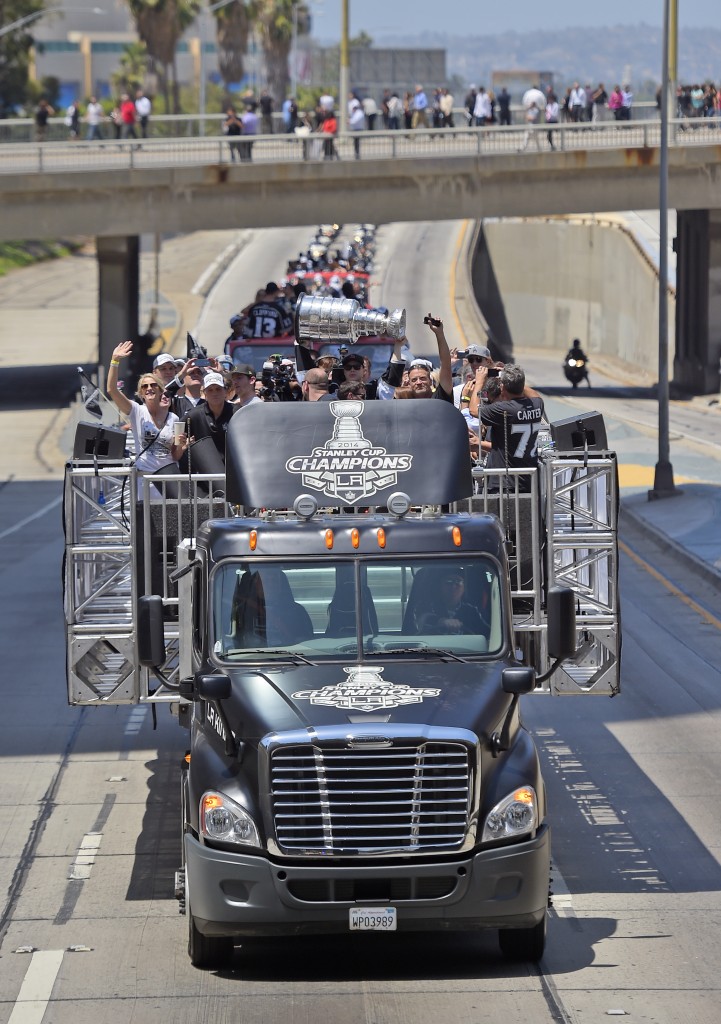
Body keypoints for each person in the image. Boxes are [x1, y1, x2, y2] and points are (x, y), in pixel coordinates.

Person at [106, 340, 188, 494]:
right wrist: (115, 360)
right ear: (141, 394)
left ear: (160, 389)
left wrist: (182, 448)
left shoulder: (174, 419)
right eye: (145, 387)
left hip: (170, 481)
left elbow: (175, 456)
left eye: (153, 385)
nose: (149, 388)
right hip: (145, 481)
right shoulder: (137, 411)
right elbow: (111, 390)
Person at [469, 363, 544, 492]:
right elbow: (535, 395)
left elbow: (474, 411)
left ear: (502, 388)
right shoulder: (537, 405)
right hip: (528, 479)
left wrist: (480, 382)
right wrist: (515, 380)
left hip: (503, 482)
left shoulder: (505, 409)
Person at [412, 569, 486, 636]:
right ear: (440, 586)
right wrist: (441, 621)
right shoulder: (425, 606)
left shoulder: (471, 611)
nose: (453, 586)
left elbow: (486, 632)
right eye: (449, 582)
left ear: (464, 588)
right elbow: (421, 621)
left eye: (458, 582)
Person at [187, 371, 236, 461]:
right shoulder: (194, 415)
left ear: (225, 391)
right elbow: (178, 438)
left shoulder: (237, 413)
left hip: (233, 467)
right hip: (205, 469)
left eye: (218, 389)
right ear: (204, 393)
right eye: (210, 390)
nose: (214, 393)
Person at [348, 93, 366, 159]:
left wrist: (349, 121)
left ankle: (357, 154)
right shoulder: (355, 112)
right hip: (355, 128)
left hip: (358, 129)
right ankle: (356, 153)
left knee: (357, 142)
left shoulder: (359, 112)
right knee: (355, 142)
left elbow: (355, 120)